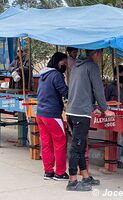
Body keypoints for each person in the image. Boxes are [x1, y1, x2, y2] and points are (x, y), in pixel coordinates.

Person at [66, 49, 115, 191]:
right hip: (81, 113)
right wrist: (105, 109)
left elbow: (81, 89)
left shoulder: (77, 65)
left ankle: (85, 176)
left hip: (72, 111)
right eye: (100, 54)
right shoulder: (92, 66)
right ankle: (72, 181)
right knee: (77, 146)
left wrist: (93, 106)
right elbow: (98, 89)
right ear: (97, 54)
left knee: (81, 145)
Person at [36, 52, 69, 181]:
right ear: (58, 62)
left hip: (41, 114)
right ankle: (60, 173)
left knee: (46, 143)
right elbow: (65, 93)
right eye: (64, 63)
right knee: (60, 142)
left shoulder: (43, 75)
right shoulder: (56, 75)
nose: (65, 65)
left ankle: (48, 172)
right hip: (52, 114)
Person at [105, 65, 123, 169]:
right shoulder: (110, 87)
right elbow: (104, 101)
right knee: (114, 138)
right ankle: (112, 159)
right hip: (112, 115)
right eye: (121, 73)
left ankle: (117, 159)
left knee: (121, 139)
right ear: (116, 75)